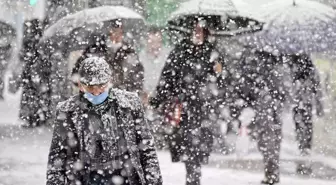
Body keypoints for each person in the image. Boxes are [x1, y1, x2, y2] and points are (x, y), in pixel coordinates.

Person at [46, 57, 162, 185]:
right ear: (80, 85)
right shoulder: (68, 111)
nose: (96, 92)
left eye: (101, 86)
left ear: (110, 82)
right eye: (90, 87)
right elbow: (57, 157)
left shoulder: (130, 104)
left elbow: (146, 149)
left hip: (125, 177)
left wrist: (154, 181)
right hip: (86, 178)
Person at [150, 20, 220, 185]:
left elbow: (221, 82)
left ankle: (193, 178)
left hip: (203, 109)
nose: (198, 33)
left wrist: (219, 73)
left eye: (201, 30)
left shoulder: (212, 53)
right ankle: (193, 179)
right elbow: (167, 78)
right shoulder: (180, 51)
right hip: (184, 108)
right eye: (195, 30)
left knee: (197, 147)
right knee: (189, 146)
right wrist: (157, 99)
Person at [237, 48, 288, 185]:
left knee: (267, 143)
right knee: (270, 143)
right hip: (269, 111)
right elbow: (283, 93)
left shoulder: (265, 70)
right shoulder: (276, 70)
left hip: (266, 110)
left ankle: (271, 173)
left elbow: (247, 89)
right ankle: (271, 172)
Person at [72, 19, 144, 95]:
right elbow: (77, 72)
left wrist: (129, 92)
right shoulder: (95, 49)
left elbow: (137, 77)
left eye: (120, 32)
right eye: (114, 31)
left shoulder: (129, 52)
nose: (117, 35)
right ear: (108, 31)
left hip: (121, 95)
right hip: (97, 95)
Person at [288, 54, 324, 174]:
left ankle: (303, 150)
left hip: (299, 105)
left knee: (301, 129)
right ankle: (305, 152)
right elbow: (317, 91)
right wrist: (319, 107)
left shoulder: (295, 71)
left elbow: (291, 90)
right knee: (307, 130)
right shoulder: (311, 72)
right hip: (305, 105)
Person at [139, 26, 171, 148]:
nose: (154, 44)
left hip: (163, 94)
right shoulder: (141, 56)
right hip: (146, 94)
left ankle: (163, 140)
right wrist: (144, 92)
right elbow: (138, 76)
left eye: (157, 41)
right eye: (151, 41)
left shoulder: (167, 55)